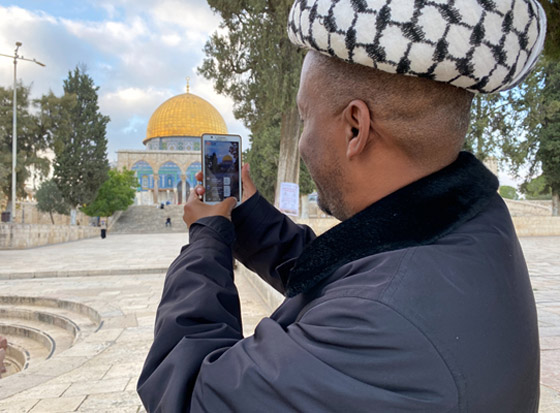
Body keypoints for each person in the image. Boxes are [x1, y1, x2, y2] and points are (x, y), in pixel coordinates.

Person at [138, 0, 546, 411]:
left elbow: (190, 394)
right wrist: (244, 214)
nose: (302, 142)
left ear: (355, 128)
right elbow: (351, 269)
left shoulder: (378, 325)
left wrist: (206, 240)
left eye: (305, 118)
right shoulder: (475, 221)